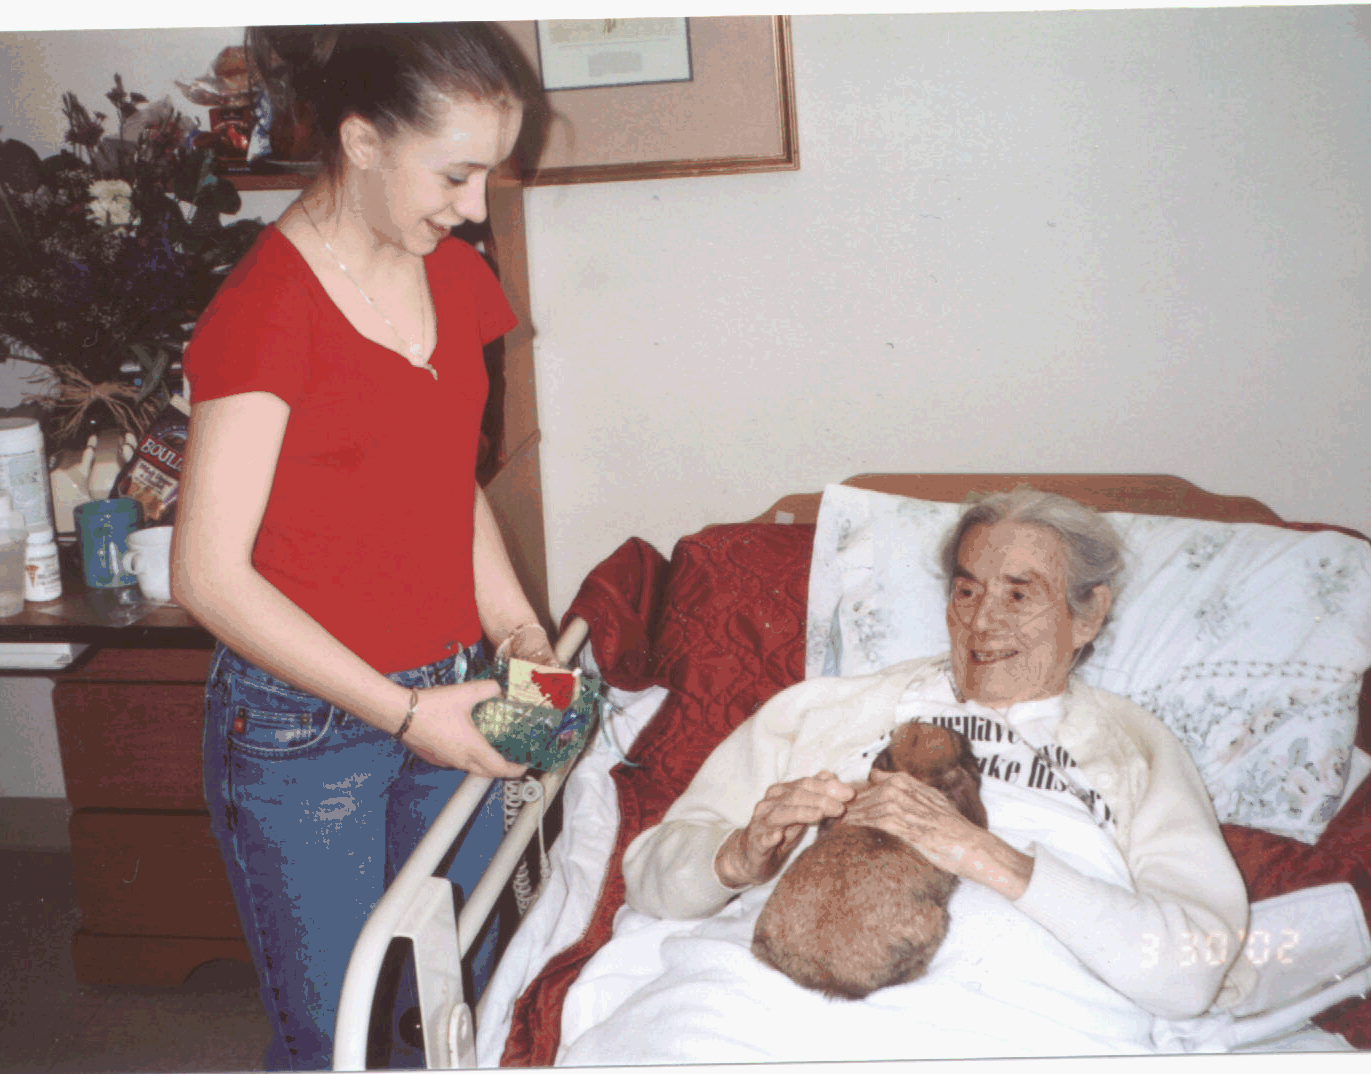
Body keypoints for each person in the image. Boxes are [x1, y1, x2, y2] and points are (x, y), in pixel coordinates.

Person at [172, 22, 548, 1071]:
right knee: (340, 1035)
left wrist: (515, 625)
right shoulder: (265, 312)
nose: (475, 208)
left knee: (451, 992)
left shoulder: (456, 279)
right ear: (364, 139)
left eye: (488, 177)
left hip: (450, 691)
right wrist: (400, 713)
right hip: (309, 731)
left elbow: (444, 485)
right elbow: (204, 575)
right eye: (456, 174)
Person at [612, 488, 1255, 1057]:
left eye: (1019, 594)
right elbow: (649, 875)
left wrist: (982, 853)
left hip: (1017, 1019)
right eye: (967, 590)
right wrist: (737, 856)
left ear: (1087, 615)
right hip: (760, 997)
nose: (982, 621)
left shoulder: (1133, 745)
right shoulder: (825, 707)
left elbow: (1188, 968)